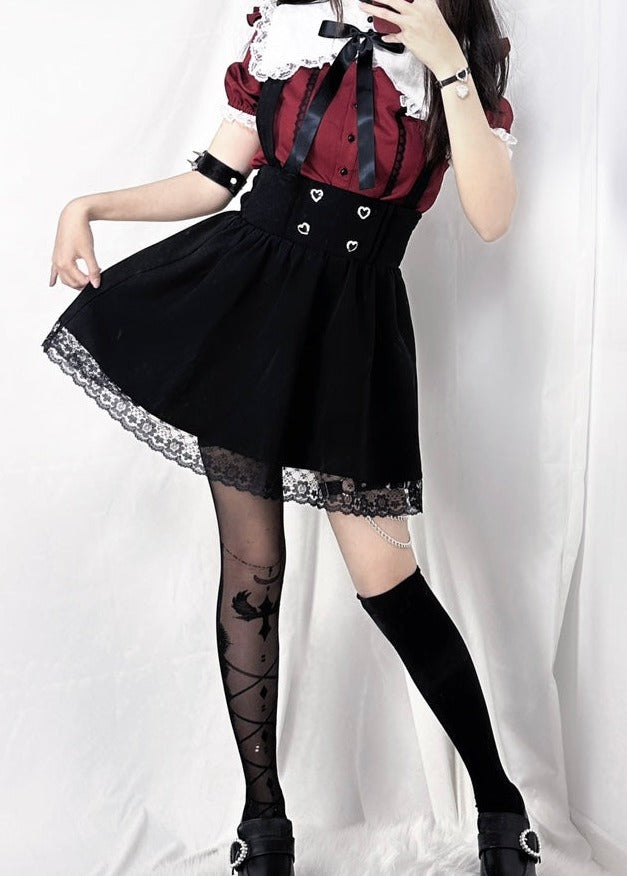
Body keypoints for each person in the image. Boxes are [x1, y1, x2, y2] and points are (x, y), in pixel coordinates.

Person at [43, 0, 542, 873]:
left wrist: (445, 62)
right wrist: (88, 205)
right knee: (253, 566)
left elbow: (492, 215)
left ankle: (501, 809)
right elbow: (212, 180)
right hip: (247, 309)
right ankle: (263, 821)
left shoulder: (452, 56)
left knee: (389, 582)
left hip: (353, 333)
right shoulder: (286, 32)